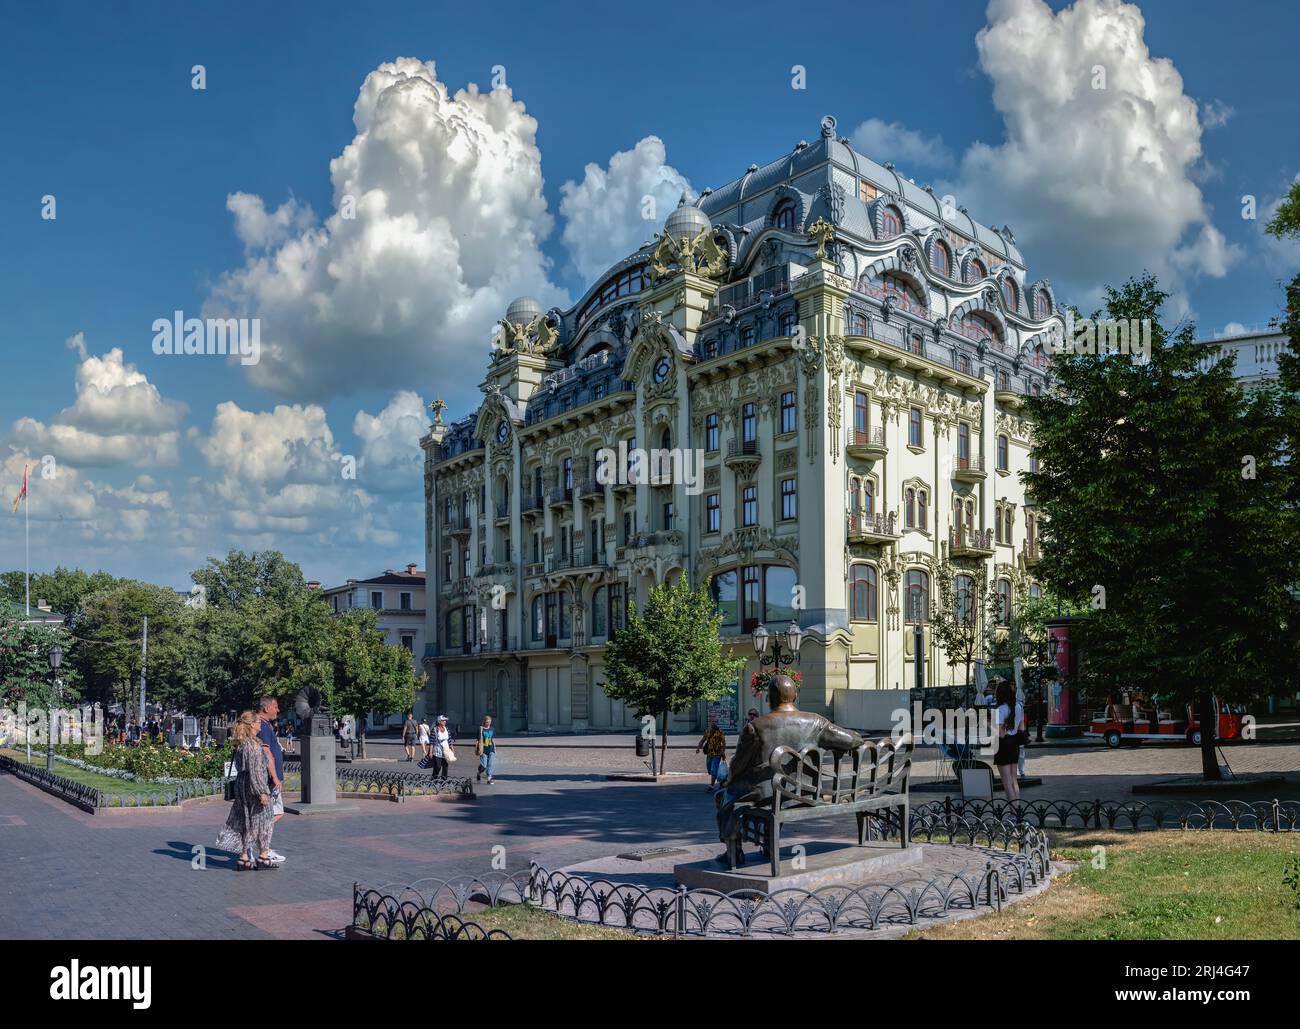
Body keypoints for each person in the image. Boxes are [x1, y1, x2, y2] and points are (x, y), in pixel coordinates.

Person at [215, 711, 279, 870]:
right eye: (258, 722)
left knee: (246, 820)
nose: (260, 725)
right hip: (253, 787)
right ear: (252, 725)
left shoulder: (242, 744)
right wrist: (262, 792)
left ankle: (244, 858)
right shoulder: (253, 746)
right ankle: (263, 857)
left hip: (242, 785)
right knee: (264, 820)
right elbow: (256, 771)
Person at [255, 695, 287, 865]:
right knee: (275, 813)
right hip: (269, 780)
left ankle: (262, 847)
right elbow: (267, 754)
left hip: (269, 779)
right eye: (276, 707)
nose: (278, 710)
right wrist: (275, 777)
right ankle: (262, 848)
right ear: (267, 708)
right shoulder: (264, 727)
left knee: (272, 814)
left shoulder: (265, 725)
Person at [993, 679, 1023, 812]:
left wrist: (988, 723)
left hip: (1003, 745)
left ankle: (1014, 813)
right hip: (1015, 743)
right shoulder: (1018, 706)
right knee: (1014, 780)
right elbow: (1022, 727)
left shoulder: (1000, 710)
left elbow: (1000, 734)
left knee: (1006, 782)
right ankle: (1017, 810)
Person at [695, 715, 728, 791]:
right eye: (712, 721)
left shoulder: (720, 732)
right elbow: (703, 740)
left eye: (715, 721)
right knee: (709, 769)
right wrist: (698, 748)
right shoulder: (707, 731)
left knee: (713, 769)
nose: (713, 723)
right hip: (709, 754)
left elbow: (724, 743)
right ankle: (721, 781)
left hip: (717, 754)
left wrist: (723, 752)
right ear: (709, 722)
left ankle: (712, 785)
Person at [476, 715, 496, 785]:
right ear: (484, 722)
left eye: (490, 722)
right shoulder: (481, 729)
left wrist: (495, 749)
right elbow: (478, 740)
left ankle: (489, 778)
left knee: (490, 764)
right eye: (487, 722)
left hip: (491, 749)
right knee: (484, 765)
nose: (488, 723)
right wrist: (477, 749)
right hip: (483, 749)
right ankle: (479, 773)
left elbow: (492, 739)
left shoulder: (492, 729)